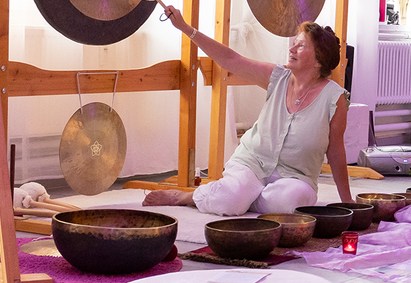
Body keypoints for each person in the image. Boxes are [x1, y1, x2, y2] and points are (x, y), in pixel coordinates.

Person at [141, 16, 354, 216]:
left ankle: (241, 198)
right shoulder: (277, 77)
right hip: (253, 162)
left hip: (296, 176)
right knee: (232, 200)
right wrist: (186, 29)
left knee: (295, 200)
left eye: (301, 45)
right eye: (294, 43)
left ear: (319, 61)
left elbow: (335, 150)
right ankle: (187, 197)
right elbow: (230, 59)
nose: (292, 49)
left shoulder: (335, 98)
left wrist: (347, 200)